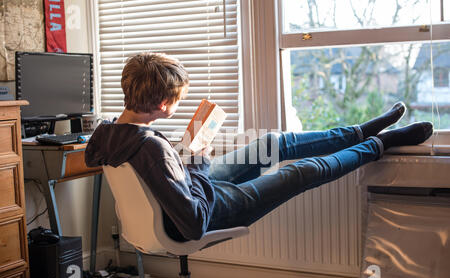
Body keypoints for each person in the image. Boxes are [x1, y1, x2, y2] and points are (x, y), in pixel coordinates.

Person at [85, 52, 433, 242]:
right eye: (177, 100)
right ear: (163, 104)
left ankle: (357, 132)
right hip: (205, 208)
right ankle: (379, 143)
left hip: (187, 189)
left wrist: (185, 161)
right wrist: (195, 163)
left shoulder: (108, 133)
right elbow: (194, 224)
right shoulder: (151, 147)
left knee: (271, 143)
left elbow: (158, 174)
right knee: (302, 171)